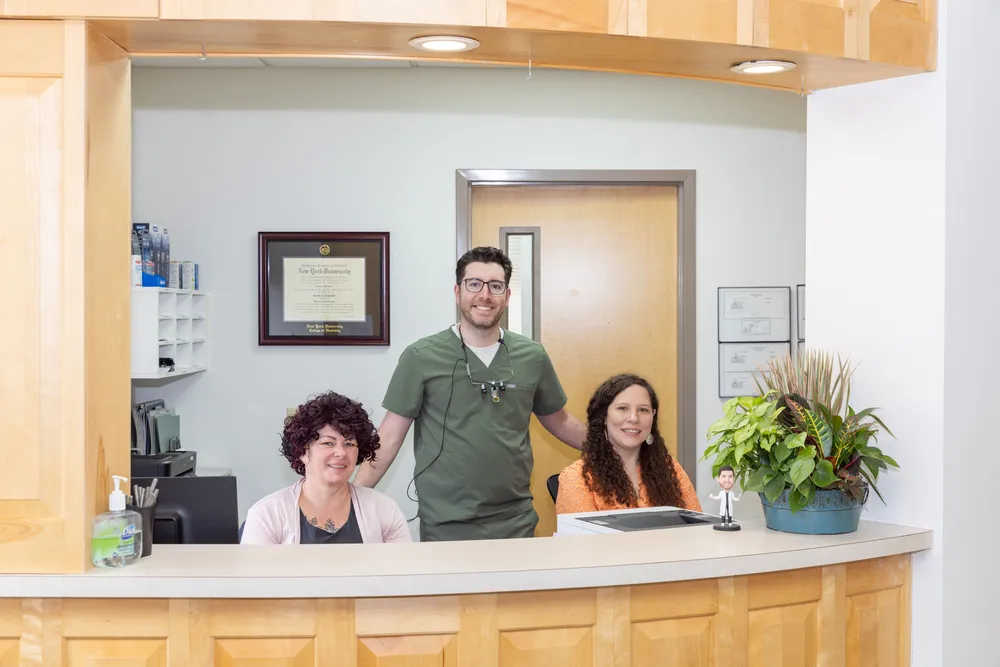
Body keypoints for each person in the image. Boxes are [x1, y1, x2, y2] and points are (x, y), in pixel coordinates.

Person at [354, 246, 587, 541]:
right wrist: (351, 498)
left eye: (496, 286)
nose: (484, 295)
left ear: (507, 295)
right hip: (445, 522)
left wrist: (615, 447)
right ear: (457, 291)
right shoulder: (421, 357)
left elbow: (559, 420)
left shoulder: (532, 356)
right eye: (474, 284)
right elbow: (388, 437)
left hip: (515, 520)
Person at [241, 391, 411, 544]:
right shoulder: (266, 515)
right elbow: (258, 579)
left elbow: (403, 575)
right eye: (328, 443)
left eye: (349, 443)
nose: (341, 452)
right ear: (302, 451)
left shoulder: (385, 510)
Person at [555, 374, 701, 515]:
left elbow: (697, 529)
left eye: (643, 410)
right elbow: (582, 538)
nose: (633, 418)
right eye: (622, 408)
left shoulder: (671, 469)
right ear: (604, 416)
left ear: (653, 416)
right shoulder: (576, 476)